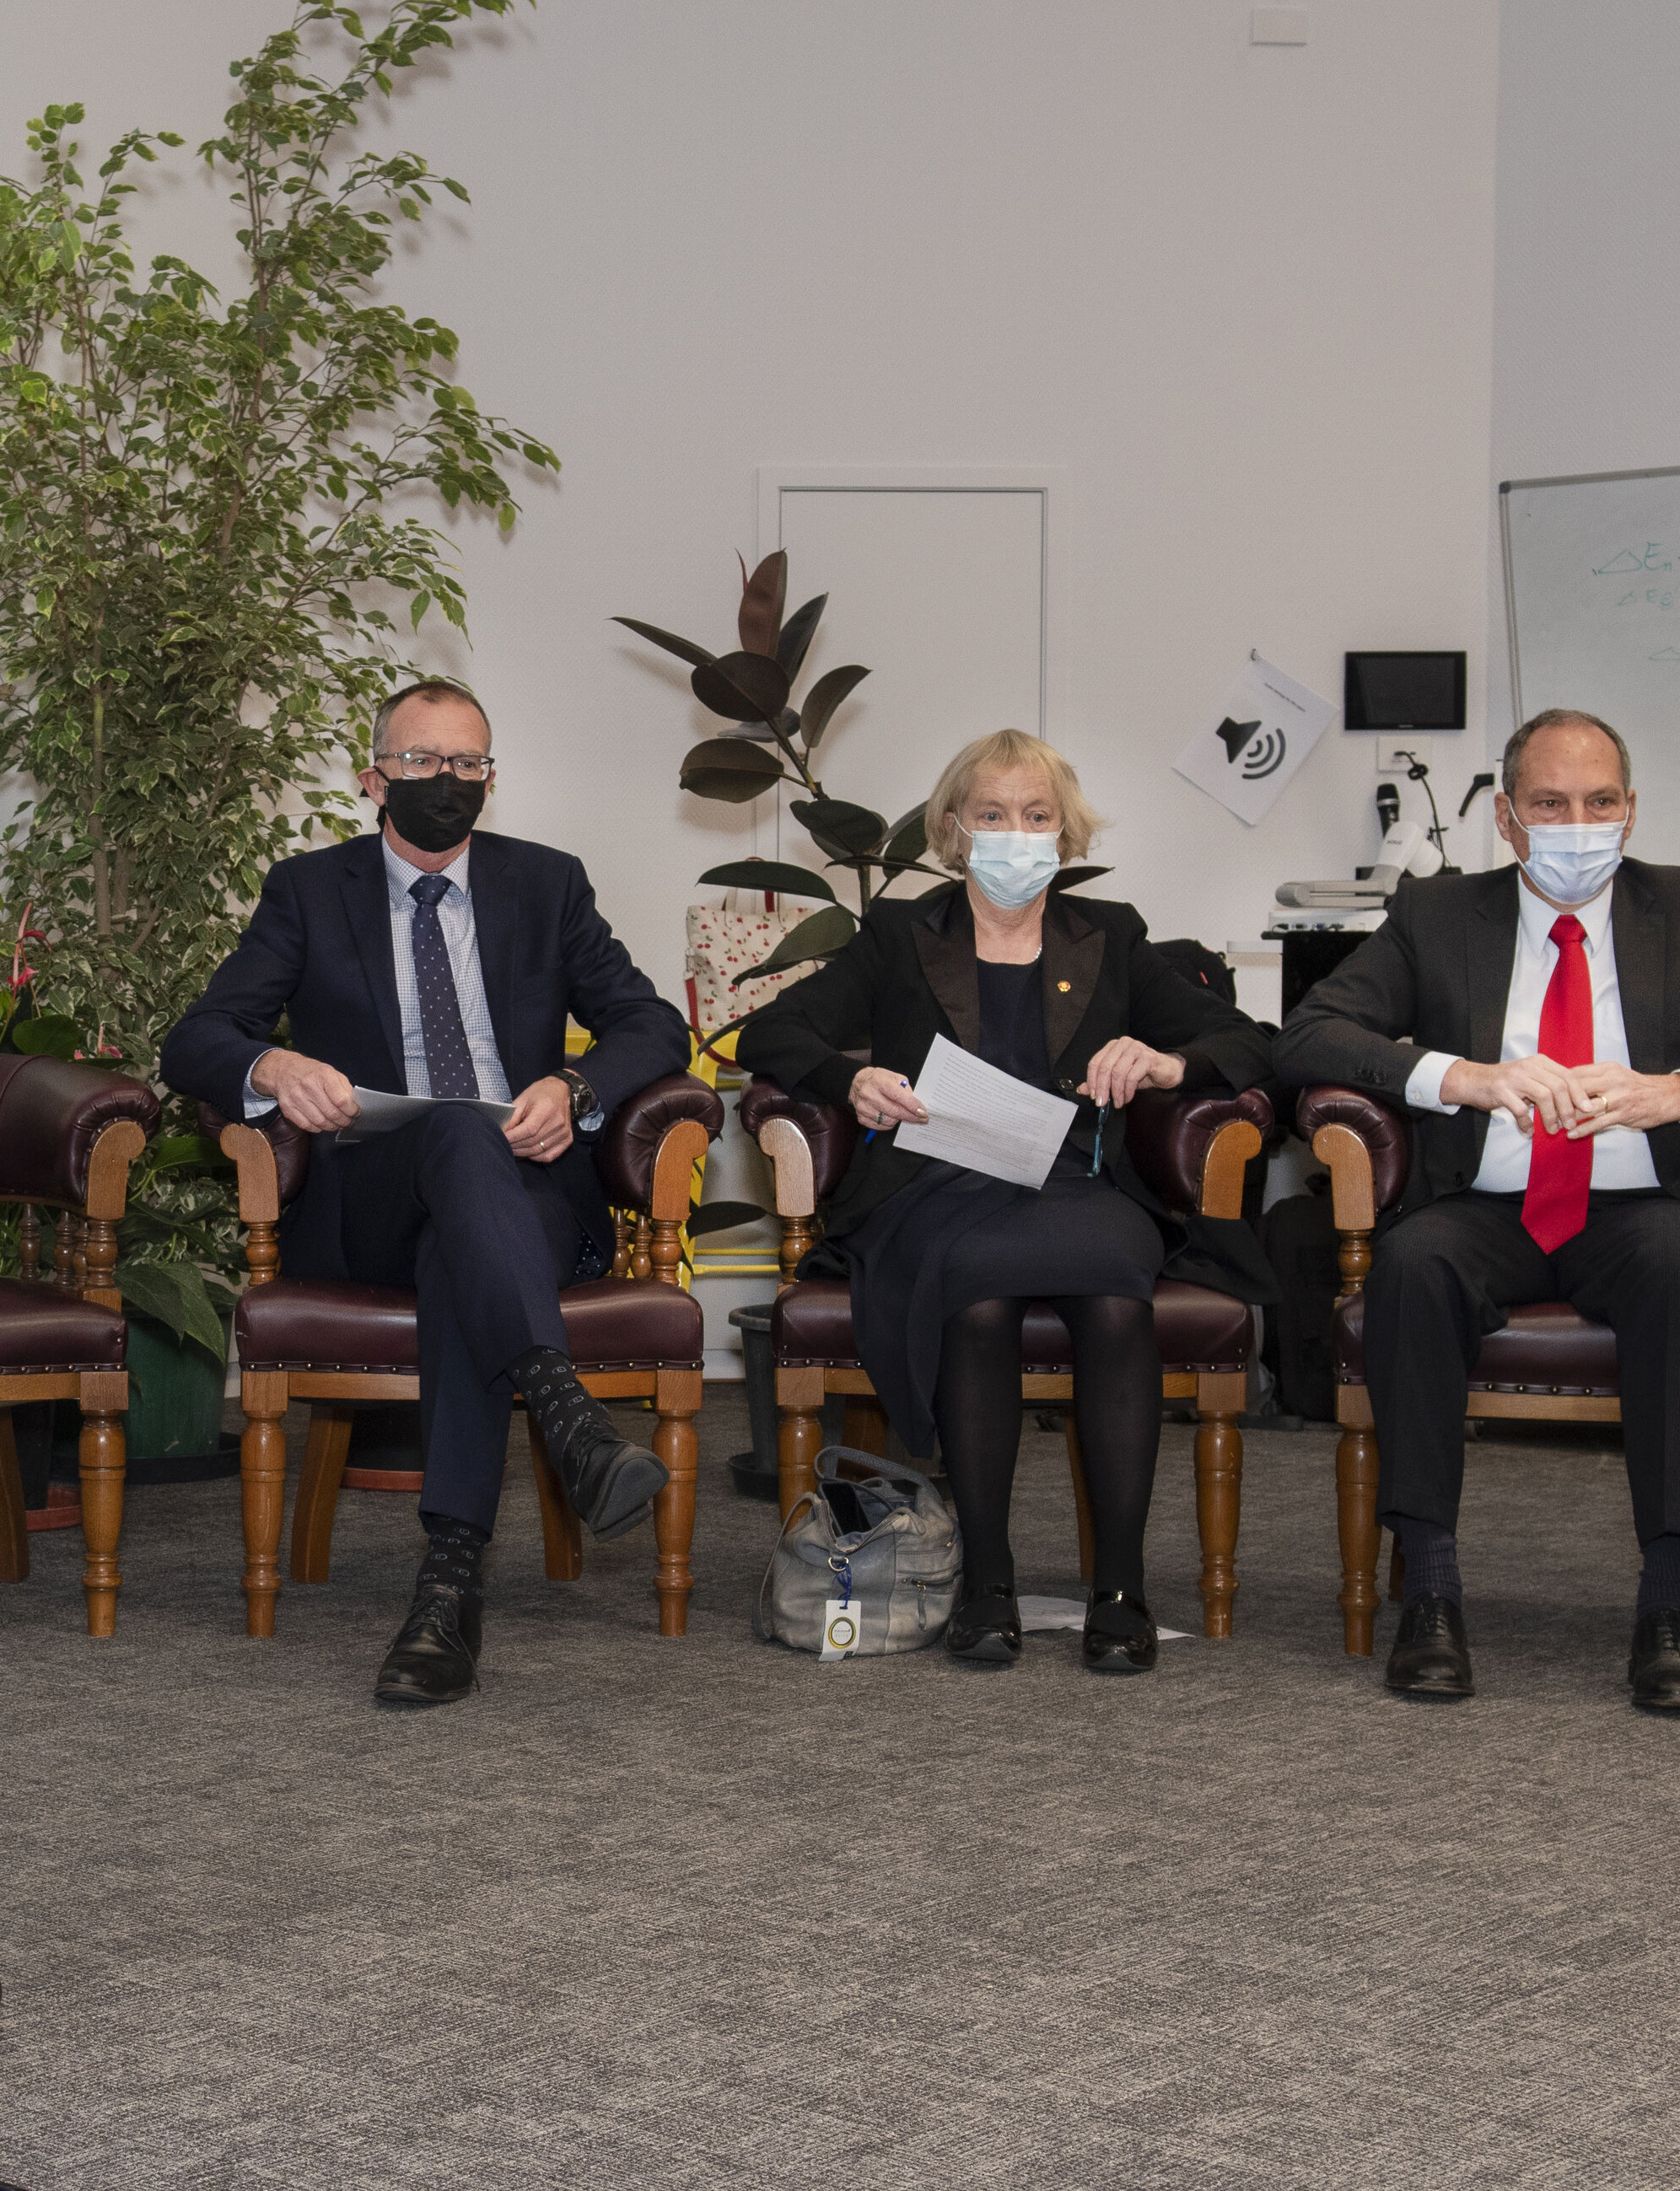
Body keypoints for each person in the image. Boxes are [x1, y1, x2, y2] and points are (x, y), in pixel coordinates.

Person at [1274, 708, 1680, 1715]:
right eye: (1550, 802)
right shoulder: (1437, 914)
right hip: (1487, 1202)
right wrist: (1455, 1076)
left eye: (1600, 801)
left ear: (1632, 812)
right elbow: (1309, 1035)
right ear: (1509, 819)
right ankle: (1428, 1587)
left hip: (1641, 1204)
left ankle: (1668, 1604)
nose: (1577, 821)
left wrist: (1679, 1089)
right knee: (1412, 1266)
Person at [162, 680, 692, 1708]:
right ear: (373, 778)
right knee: (451, 1121)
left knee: (468, 1235)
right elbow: (198, 1036)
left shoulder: (549, 886)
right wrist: (274, 1070)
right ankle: (563, 1412)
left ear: (491, 777)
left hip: (523, 1194)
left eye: (467, 764)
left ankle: (447, 1591)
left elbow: (652, 1023)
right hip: (369, 1197)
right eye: (422, 762)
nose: (446, 782)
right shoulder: (309, 891)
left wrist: (574, 1086)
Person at [738, 729, 1268, 1674]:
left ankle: (1121, 1584)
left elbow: (1245, 1037)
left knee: (1115, 1292)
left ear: (1064, 834)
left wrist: (1163, 1060)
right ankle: (988, 1579)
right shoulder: (902, 934)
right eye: (992, 814)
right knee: (975, 1297)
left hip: (1074, 1181)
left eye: (1036, 816)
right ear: (953, 828)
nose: (1016, 834)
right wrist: (847, 1081)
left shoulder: (1112, 935)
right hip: (934, 1181)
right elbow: (772, 1030)